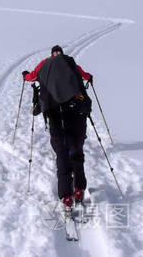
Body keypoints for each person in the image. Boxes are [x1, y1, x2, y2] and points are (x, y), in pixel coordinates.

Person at [22, 45, 93, 208]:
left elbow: (32, 77)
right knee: (76, 149)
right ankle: (79, 189)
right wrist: (90, 77)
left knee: (61, 152)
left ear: (51, 54)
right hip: (76, 110)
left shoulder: (45, 63)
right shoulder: (70, 62)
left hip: (54, 111)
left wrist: (25, 76)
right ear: (61, 53)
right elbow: (84, 75)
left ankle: (66, 196)